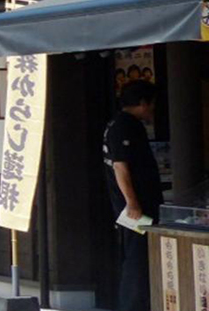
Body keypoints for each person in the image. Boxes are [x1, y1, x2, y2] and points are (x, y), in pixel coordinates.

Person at [103, 80, 161, 311]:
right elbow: (120, 167)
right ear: (143, 102)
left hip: (131, 207)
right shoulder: (125, 125)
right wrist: (133, 204)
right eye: (152, 104)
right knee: (138, 258)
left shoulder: (118, 123)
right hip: (135, 209)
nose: (153, 109)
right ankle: (133, 306)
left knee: (138, 255)